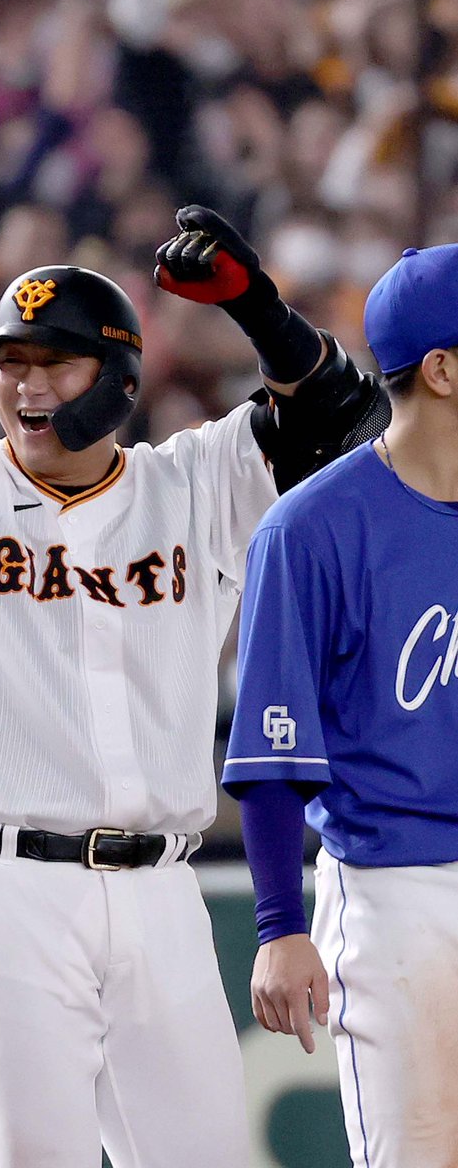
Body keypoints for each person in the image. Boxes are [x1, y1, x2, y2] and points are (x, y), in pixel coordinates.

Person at [0, 171, 388, 1167]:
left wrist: (253, 305)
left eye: (55, 360)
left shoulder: (191, 483)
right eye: (10, 361)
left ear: (121, 379)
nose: (26, 383)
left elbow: (339, 414)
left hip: (160, 893)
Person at [222, 244, 458, 1168]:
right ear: (440, 370)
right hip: (397, 895)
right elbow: (272, 752)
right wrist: (280, 926)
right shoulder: (311, 526)